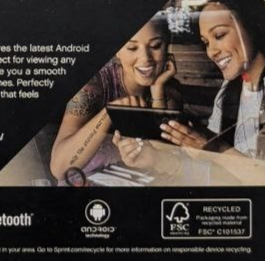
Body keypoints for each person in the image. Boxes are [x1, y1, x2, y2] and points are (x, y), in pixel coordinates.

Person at [50, 14, 181, 181]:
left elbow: (162, 156)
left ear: (167, 46)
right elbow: (59, 169)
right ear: (117, 50)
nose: (145, 58)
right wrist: (109, 113)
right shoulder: (94, 84)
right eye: (132, 48)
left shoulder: (169, 90)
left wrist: (157, 92)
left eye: (155, 46)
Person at [159, 0, 265, 160]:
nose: (211, 52)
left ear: (253, 27)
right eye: (206, 42)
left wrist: (216, 148)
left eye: (219, 35)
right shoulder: (228, 92)